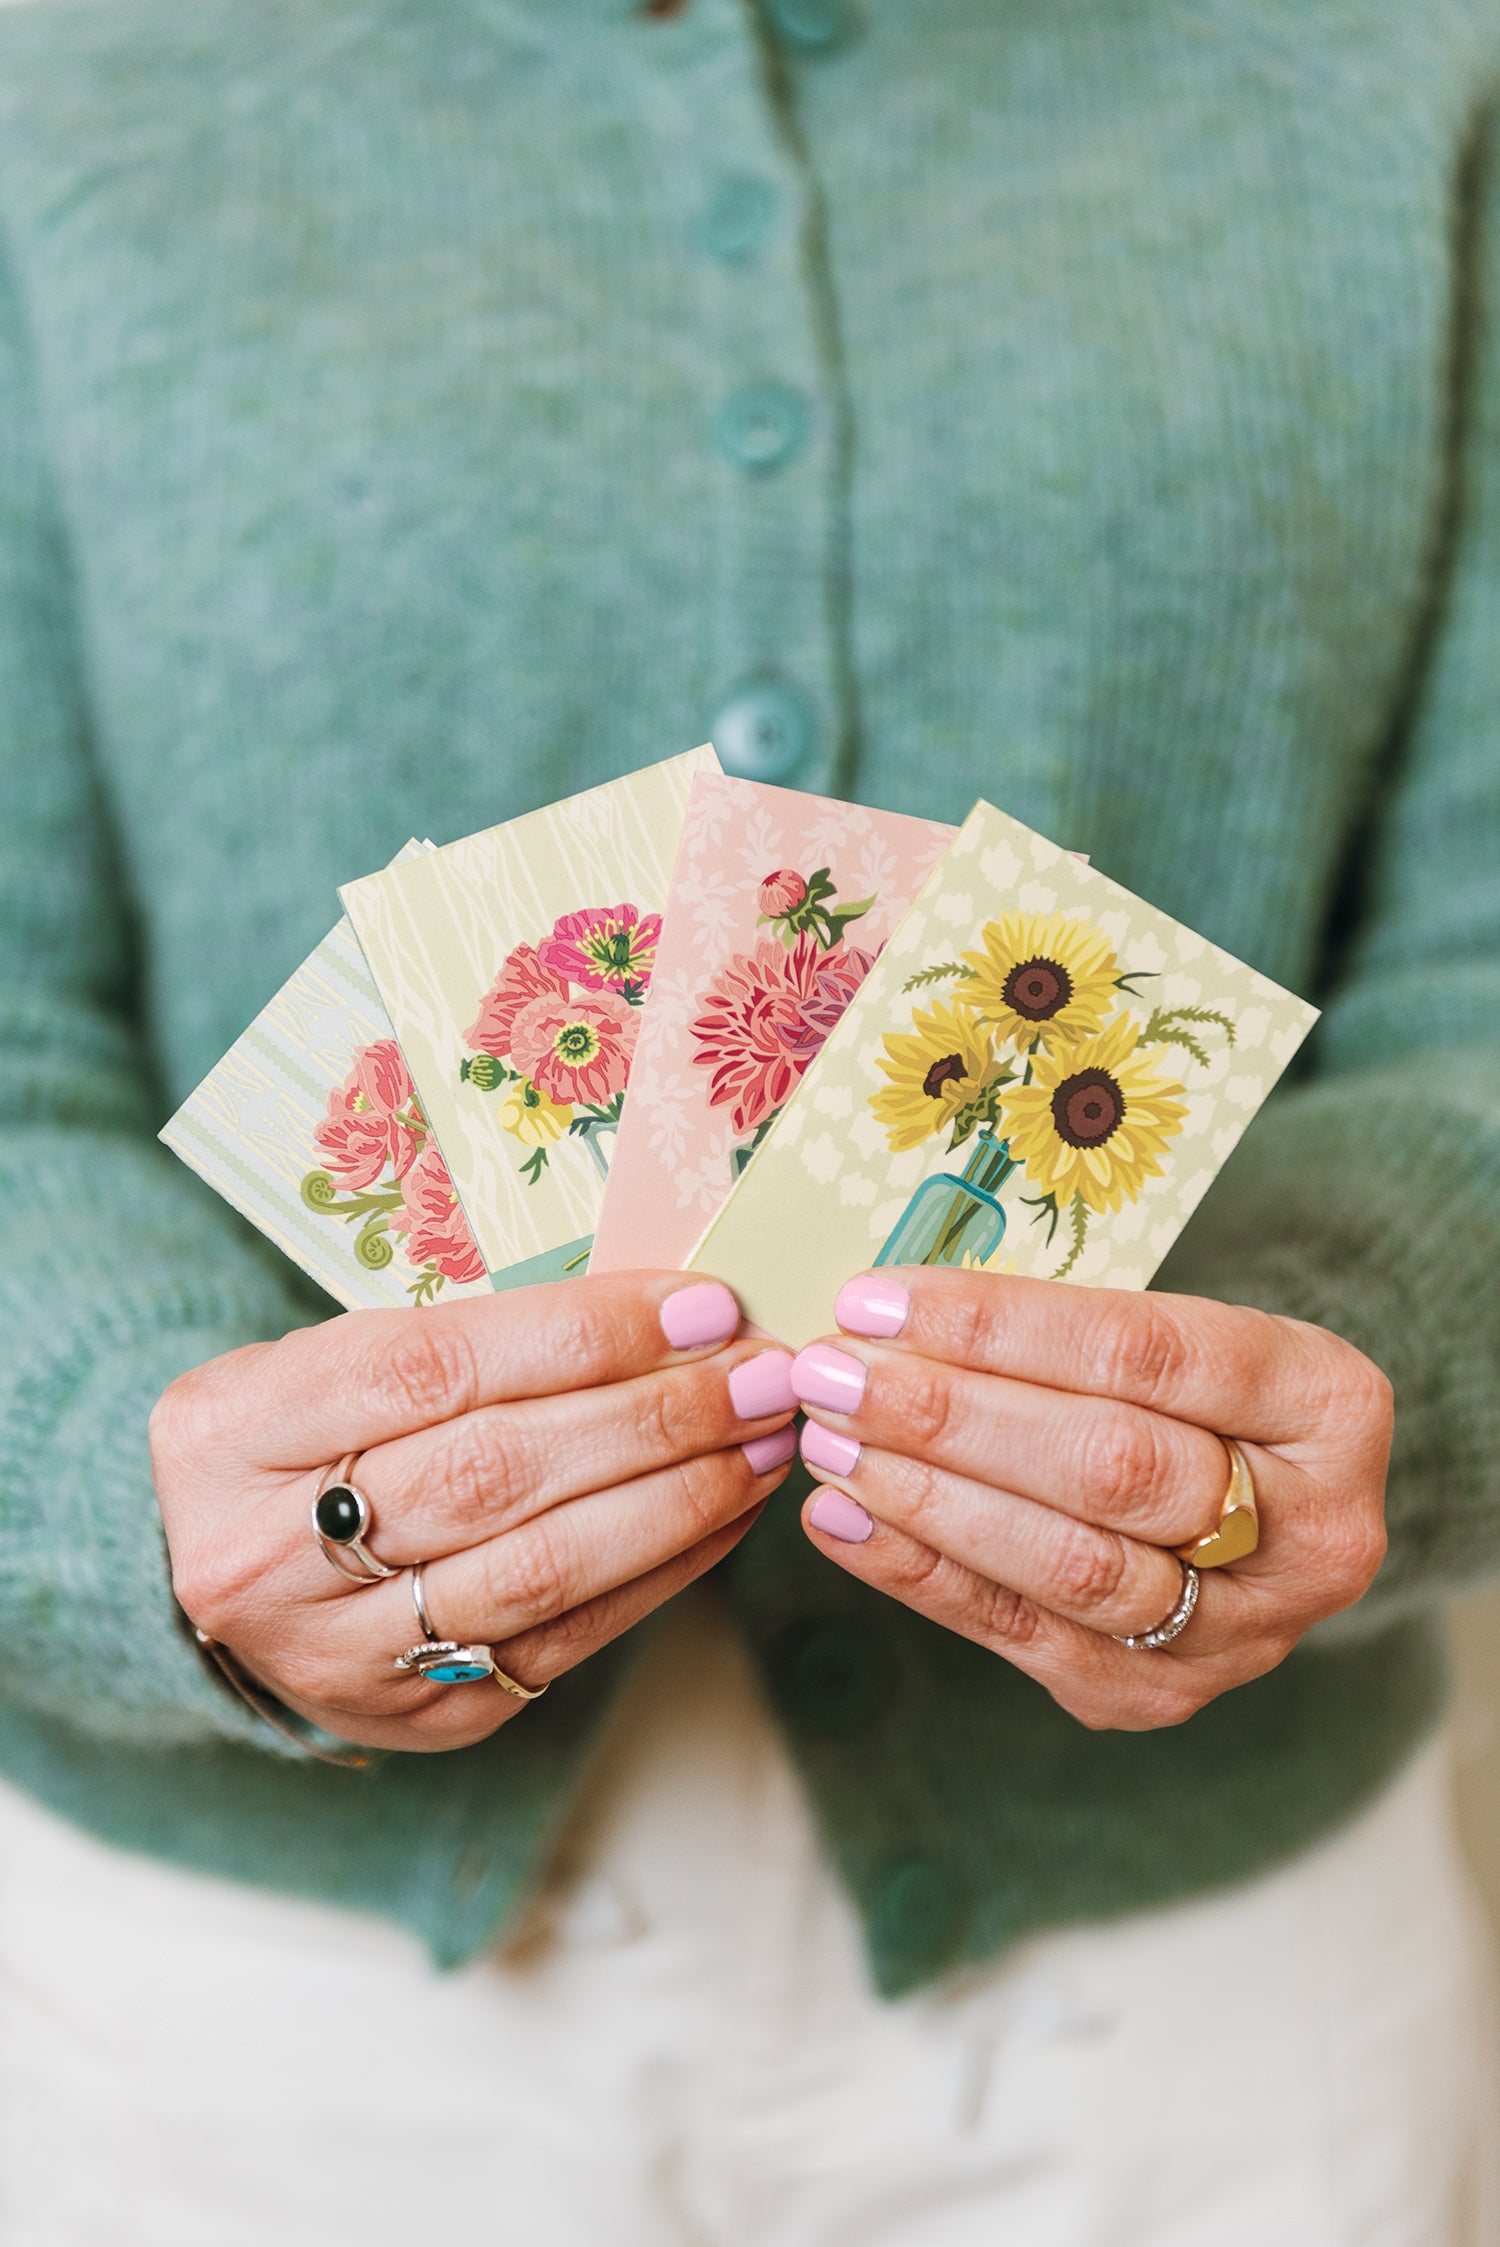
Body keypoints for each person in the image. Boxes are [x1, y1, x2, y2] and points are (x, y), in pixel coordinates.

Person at [0, 0, 1496, 2238]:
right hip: (248, 2036)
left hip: (1192, 2031)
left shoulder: (1402, 74)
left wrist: (1347, 1368)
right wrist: (122, 1483)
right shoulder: (71, 94)